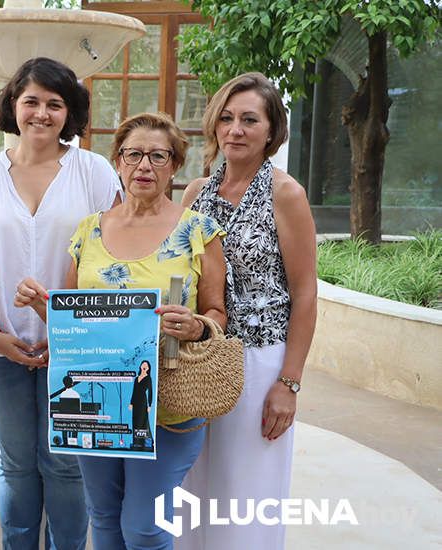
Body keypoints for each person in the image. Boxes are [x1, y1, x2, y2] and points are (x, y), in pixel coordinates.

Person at [17, 111, 227, 549]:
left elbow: (216, 313)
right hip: (97, 401)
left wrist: (195, 327)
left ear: (175, 165)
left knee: (144, 527)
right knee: (105, 518)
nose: (144, 166)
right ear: (117, 162)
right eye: (134, 155)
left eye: (157, 156)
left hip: (167, 401)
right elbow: (71, 319)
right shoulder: (89, 231)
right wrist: (42, 303)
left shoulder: (198, 231)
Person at [0, 56, 121, 550]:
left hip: (75, 350)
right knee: (14, 460)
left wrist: (73, 335)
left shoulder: (93, 171)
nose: (41, 113)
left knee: (65, 462)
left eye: (54, 104)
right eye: (30, 100)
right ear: (13, 105)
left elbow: (115, 261)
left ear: (69, 112)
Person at [178, 72, 317, 550]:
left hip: (260, 362)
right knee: (191, 490)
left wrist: (289, 383)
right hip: (199, 357)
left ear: (272, 130)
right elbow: (179, 274)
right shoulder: (196, 192)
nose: (235, 130)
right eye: (228, 118)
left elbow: (305, 293)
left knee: (246, 493)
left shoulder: (286, 194)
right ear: (215, 125)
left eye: (250, 120)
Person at [129, 360, 153, 451]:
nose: (144, 366)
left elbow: (150, 392)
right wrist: (131, 403)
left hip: (143, 402)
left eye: (146, 365)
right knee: (135, 422)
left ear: (148, 368)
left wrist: (149, 405)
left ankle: (142, 444)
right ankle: (136, 443)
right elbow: (134, 391)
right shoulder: (136, 378)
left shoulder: (148, 378)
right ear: (140, 366)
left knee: (142, 422)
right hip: (135, 403)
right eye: (143, 364)